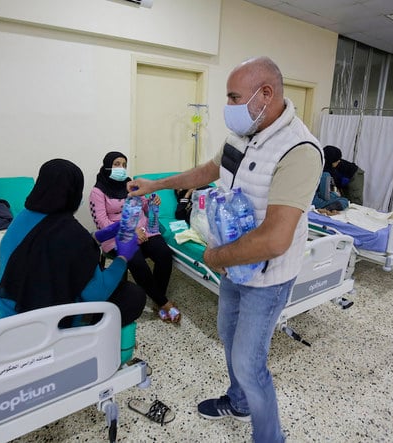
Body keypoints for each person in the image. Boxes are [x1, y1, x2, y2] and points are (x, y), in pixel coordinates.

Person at [127, 56, 322, 443]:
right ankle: (239, 402)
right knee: (230, 340)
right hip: (235, 266)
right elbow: (207, 171)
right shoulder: (243, 135)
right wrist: (158, 184)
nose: (228, 106)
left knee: (250, 365)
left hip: (267, 277)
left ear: (266, 94)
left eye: (234, 97)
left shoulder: (299, 150)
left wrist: (212, 257)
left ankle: (270, 437)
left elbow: (275, 239)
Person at [0, 158, 146, 328]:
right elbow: (96, 294)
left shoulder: (22, 217)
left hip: (7, 312)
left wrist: (95, 237)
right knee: (133, 295)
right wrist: (123, 257)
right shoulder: (71, 232)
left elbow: (52, 247)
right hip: (45, 323)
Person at [89, 151, 179, 323]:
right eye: (116, 164)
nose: (121, 168)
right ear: (107, 166)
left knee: (164, 255)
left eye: (124, 164)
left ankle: (157, 299)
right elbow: (101, 222)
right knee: (137, 262)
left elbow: (144, 205)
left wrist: (153, 201)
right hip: (117, 235)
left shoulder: (131, 185)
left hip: (144, 229)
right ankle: (164, 303)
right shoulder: (97, 192)